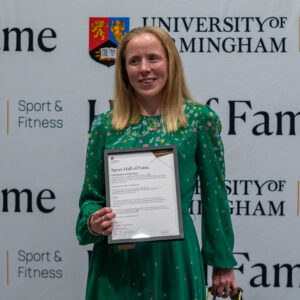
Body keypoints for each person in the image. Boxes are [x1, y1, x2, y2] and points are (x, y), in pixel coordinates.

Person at [76, 26, 238, 300]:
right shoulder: (104, 126)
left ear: (170, 62)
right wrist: (92, 222)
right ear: (124, 70)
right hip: (117, 261)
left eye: (153, 58)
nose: (144, 69)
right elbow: (91, 197)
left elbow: (215, 196)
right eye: (134, 61)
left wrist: (222, 262)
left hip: (175, 259)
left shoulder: (199, 120)